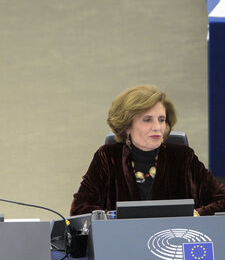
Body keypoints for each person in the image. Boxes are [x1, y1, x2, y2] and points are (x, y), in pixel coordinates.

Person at [71, 84, 225, 216]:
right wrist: (115, 220)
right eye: (147, 120)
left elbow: (222, 200)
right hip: (123, 243)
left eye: (161, 120)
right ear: (127, 126)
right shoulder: (107, 157)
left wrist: (194, 215)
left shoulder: (183, 157)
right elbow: (80, 209)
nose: (157, 127)